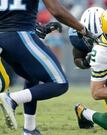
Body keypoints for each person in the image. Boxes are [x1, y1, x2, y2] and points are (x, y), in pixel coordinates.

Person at [0, 0, 96, 135]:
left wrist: (34, 25)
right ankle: (11, 99)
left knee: (32, 76)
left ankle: (29, 129)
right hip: (20, 34)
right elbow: (56, 10)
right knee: (60, 83)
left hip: (5, 37)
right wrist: (83, 29)